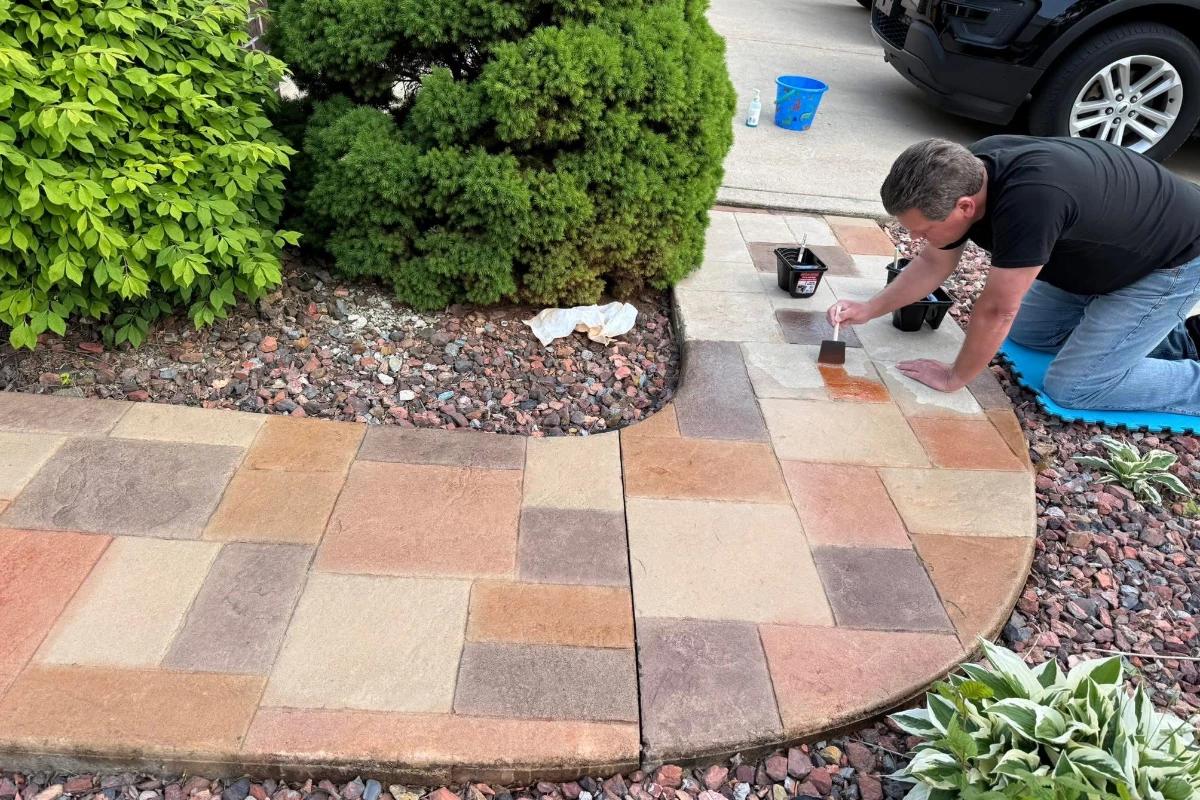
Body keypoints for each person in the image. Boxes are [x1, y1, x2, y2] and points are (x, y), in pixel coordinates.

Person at [829, 135, 1200, 417]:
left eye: (923, 230)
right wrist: (868, 309)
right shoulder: (968, 170)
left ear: (965, 207)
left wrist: (954, 377)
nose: (915, 239)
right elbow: (932, 264)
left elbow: (996, 311)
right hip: (1109, 252)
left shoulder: (1029, 204)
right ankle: (1166, 336)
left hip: (1173, 258)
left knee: (1075, 387)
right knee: (1027, 333)